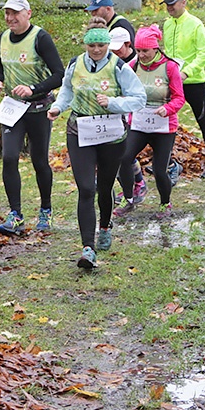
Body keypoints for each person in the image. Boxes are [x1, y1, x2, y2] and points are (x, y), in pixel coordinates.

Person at [48, 28, 145, 269]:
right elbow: (67, 91)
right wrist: (59, 107)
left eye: (101, 45)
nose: (97, 50)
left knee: (104, 186)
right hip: (80, 129)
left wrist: (113, 102)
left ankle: (105, 226)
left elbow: (139, 98)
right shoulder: (75, 64)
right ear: (86, 46)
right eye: (92, 46)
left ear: (107, 45)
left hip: (111, 133)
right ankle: (88, 248)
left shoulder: (119, 67)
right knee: (86, 188)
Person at [0, 0, 65, 236]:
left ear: (28, 14)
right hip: (13, 108)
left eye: (15, 13)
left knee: (39, 161)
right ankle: (16, 215)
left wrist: (33, 88)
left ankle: (46, 210)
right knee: (9, 157)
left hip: (38, 109)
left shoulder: (40, 38)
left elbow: (59, 75)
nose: (10, 18)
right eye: (7, 14)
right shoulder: (2, 38)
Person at [113, 25, 185, 220]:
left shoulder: (170, 67)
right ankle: (129, 199)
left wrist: (167, 109)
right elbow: (122, 89)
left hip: (163, 126)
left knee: (159, 168)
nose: (141, 55)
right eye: (138, 50)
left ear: (155, 48)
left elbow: (179, 98)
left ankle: (165, 204)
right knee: (124, 158)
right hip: (139, 123)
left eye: (145, 50)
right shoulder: (132, 66)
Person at [161, 0, 205, 179]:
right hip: (172, 81)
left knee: (203, 120)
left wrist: (187, 72)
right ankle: (165, 161)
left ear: (184, 2)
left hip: (192, 81)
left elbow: (203, 53)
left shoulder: (195, 24)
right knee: (165, 120)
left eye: (173, 3)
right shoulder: (168, 25)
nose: (170, 7)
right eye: (167, 4)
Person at [109, 26, 146, 204]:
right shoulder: (110, 62)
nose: (115, 53)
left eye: (118, 49)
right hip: (116, 111)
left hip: (136, 114)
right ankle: (129, 185)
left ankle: (137, 183)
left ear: (128, 44)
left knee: (124, 154)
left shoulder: (137, 61)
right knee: (116, 154)